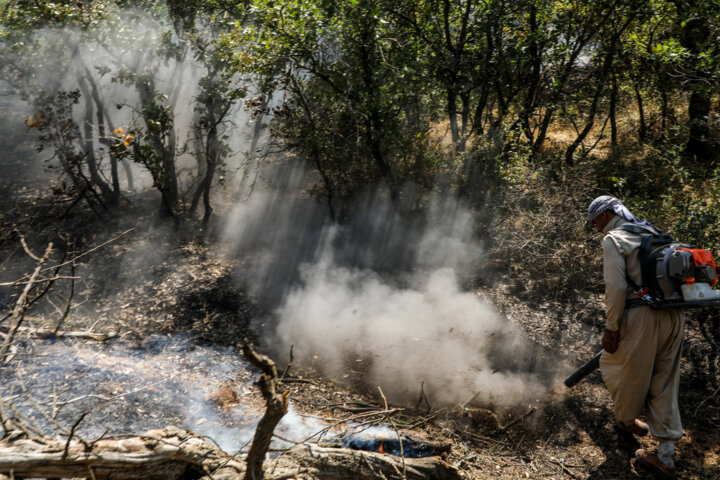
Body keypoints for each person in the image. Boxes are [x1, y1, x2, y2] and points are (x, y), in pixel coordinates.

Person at [587, 195, 684, 478]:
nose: (595, 229)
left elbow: (616, 288)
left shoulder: (614, 239)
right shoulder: (652, 232)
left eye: (595, 222)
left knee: (620, 368)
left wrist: (612, 328)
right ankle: (665, 457)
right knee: (665, 381)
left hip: (642, 316)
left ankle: (626, 420)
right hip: (675, 315)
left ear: (605, 216)